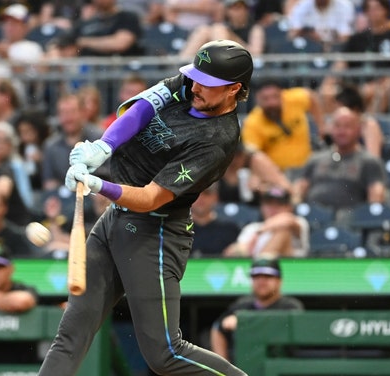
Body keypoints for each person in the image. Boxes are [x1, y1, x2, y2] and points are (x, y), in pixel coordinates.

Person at [39, 40, 253, 376]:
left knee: (165, 353)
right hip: (115, 222)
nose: (195, 87)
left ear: (234, 89)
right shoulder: (190, 85)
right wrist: (102, 147)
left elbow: (152, 197)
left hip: (156, 233)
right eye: (195, 78)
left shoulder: (217, 140)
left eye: (207, 84)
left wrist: (99, 185)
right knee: (72, 333)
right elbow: (141, 108)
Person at [210, 258, 304, 362]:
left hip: (280, 367)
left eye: (268, 276)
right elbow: (218, 328)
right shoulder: (242, 305)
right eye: (256, 277)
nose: (261, 281)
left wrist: (243, 321)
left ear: (279, 281)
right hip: (245, 367)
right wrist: (223, 366)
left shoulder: (290, 306)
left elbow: (285, 327)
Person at [292, 107, 386, 211]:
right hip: (313, 216)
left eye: (347, 126)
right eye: (337, 126)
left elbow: (376, 195)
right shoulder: (315, 159)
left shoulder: (369, 162)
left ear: (358, 130)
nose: (341, 131)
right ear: (331, 128)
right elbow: (300, 188)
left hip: (349, 219)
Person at [241, 79, 326, 174]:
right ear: (258, 100)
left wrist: (321, 126)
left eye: (275, 97)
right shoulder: (252, 123)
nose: (272, 103)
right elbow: (252, 154)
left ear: (282, 94)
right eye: (266, 99)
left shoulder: (292, 100)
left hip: (307, 169)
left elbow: (311, 96)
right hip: (278, 175)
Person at [224, 186, 310, 258]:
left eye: (279, 204)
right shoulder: (251, 228)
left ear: (289, 207)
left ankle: (261, 267)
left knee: (283, 231)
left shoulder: (299, 221)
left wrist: (260, 232)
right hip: (252, 264)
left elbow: (287, 220)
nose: (273, 208)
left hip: (291, 268)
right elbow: (241, 249)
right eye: (269, 204)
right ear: (262, 206)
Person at [41, 93, 104, 191]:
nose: (68, 118)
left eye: (72, 112)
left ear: (82, 113)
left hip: (96, 194)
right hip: (63, 199)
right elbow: (49, 183)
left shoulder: (99, 138)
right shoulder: (51, 146)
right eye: (63, 113)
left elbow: (107, 174)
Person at [68, 0, 144, 56]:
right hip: (88, 72)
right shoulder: (86, 23)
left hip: (120, 71)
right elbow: (68, 44)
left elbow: (120, 44)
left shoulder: (128, 17)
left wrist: (85, 42)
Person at [190, 182, 241, 258]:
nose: (201, 198)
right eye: (196, 194)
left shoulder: (230, 230)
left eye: (207, 193)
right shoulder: (178, 230)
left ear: (215, 197)